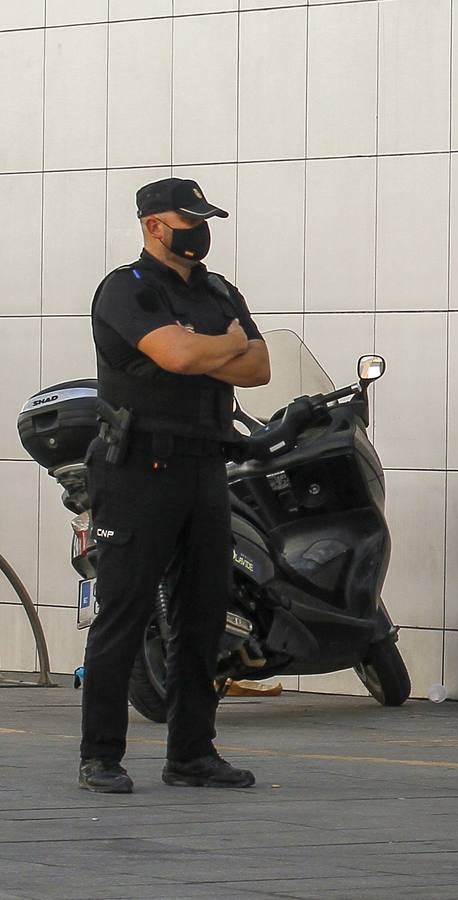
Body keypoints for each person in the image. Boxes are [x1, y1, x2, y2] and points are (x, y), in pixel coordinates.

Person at [77, 178, 270, 793]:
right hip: (139, 471)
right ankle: (101, 756)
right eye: (187, 218)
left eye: (203, 216)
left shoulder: (218, 290)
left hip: (206, 467)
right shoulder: (126, 289)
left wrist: (203, 349)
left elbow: (259, 367)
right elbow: (177, 357)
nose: (199, 228)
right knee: (125, 613)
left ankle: (191, 755)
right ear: (153, 225)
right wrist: (222, 349)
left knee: (203, 615)